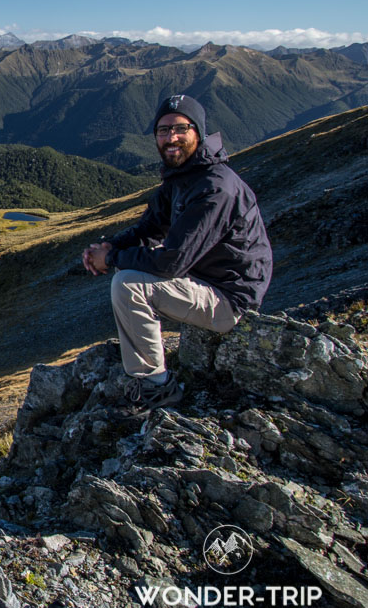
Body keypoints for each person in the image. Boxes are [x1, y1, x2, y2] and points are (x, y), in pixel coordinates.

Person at [82, 94, 272, 407]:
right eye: (163, 130)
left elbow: (172, 262)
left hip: (230, 301)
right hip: (206, 280)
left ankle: (157, 387)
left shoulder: (215, 188)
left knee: (128, 283)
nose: (171, 137)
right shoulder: (184, 177)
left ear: (198, 131)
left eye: (180, 129)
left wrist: (112, 258)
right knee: (132, 262)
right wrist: (110, 247)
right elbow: (149, 228)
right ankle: (150, 375)